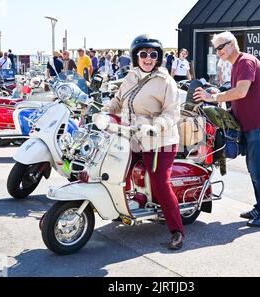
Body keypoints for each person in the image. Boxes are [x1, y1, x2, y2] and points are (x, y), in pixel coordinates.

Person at [102, 35, 184, 250]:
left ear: (158, 58)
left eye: (153, 54)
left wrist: (155, 126)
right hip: (132, 136)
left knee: (160, 183)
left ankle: (177, 230)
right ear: (136, 56)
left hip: (160, 141)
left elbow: (172, 112)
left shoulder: (165, 81)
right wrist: (104, 110)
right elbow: (119, 101)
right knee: (116, 169)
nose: (148, 58)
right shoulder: (131, 76)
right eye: (143, 54)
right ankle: (127, 208)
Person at [194, 31, 260, 228]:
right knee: (254, 169)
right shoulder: (236, 64)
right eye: (216, 49)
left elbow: (241, 92)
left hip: (259, 124)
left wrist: (212, 98)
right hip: (250, 125)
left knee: (258, 170)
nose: (218, 52)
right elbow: (239, 97)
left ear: (231, 44)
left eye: (221, 47)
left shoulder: (246, 62)